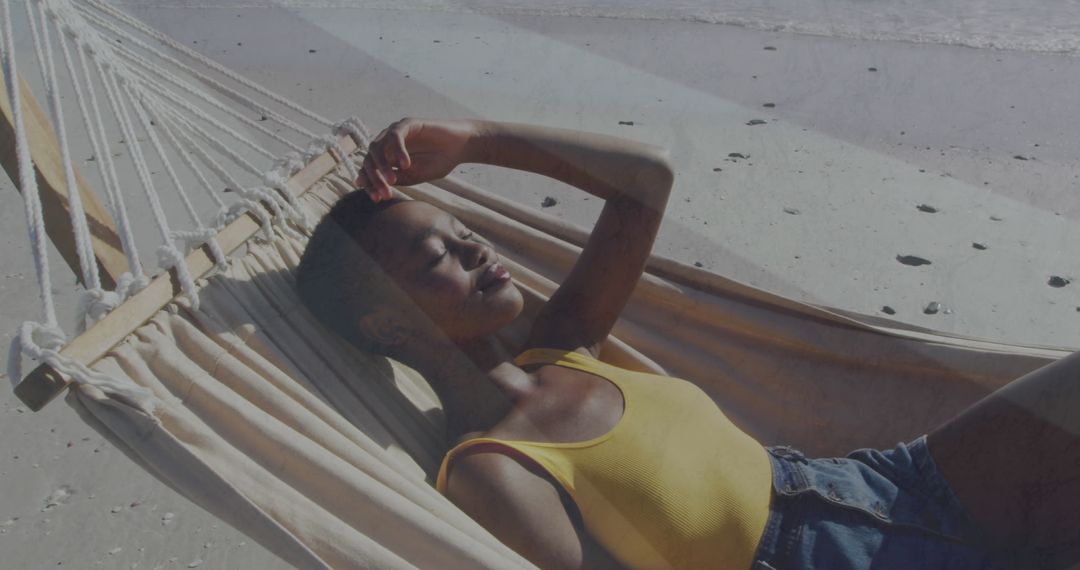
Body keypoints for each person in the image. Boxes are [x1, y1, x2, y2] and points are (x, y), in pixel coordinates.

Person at [296, 117, 1080, 570]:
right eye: (434, 255)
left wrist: (473, 138)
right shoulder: (491, 468)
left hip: (885, 480)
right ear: (390, 327)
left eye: (462, 229)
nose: (472, 246)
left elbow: (647, 179)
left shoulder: (562, 344)